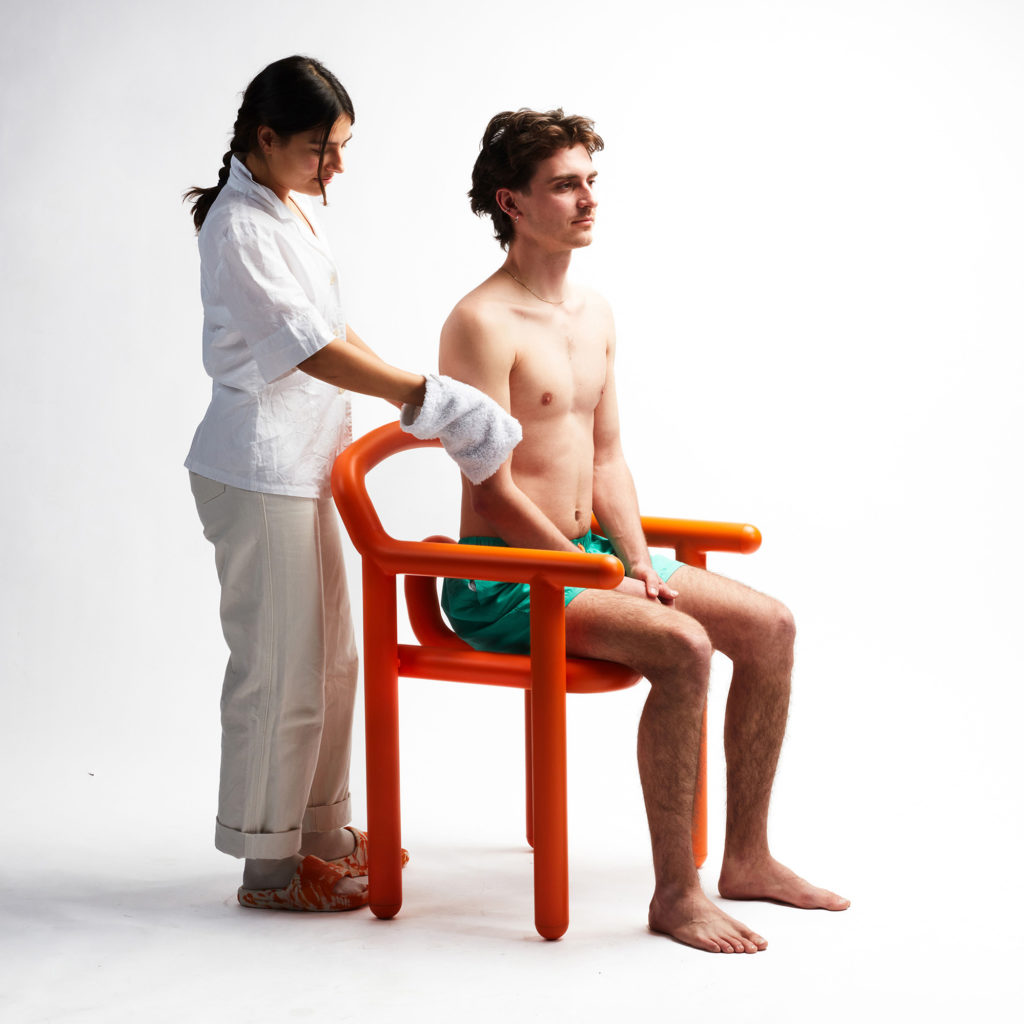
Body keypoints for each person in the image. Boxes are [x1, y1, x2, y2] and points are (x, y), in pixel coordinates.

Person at [438, 108, 850, 953]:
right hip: (503, 578)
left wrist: (636, 563)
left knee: (770, 627)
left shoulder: (594, 313)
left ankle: (748, 858)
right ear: (512, 203)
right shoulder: (478, 323)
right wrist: (592, 573)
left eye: (592, 181)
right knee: (685, 646)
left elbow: (607, 457)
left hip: (586, 561)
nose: (589, 199)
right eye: (566, 185)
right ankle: (676, 895)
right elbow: (493, 488)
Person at [183, 57, 516, 913]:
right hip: (258, 472)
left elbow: (332, 326)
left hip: (301, 470)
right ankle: (269, 870)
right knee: (279, 674)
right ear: (265, 139)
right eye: (319, 149)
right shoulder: (241, 226)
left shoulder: (287, 203)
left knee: (332, 664)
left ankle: (322, 836)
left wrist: (420, 390)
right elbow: (307, 349)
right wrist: (419, 396)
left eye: (342, 148)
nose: (335, 166)